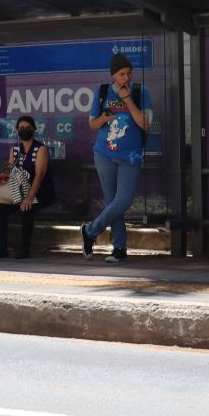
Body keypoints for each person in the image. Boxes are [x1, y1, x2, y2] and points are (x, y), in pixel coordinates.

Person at [80, 53, 152, 264]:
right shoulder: (102, 92)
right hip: (104, 154)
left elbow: (145, 124)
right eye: (122, 74)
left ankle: (90, 230)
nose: (126, 78)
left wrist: (128, 100)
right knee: (113, 202)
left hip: (130, 156)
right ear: (113, 75)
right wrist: (103, 118)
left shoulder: (140, 91)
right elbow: (92, 124)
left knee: (123, 200)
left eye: (129, 73)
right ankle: (119, 248)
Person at [0, 115, 55, 260]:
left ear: (34, 129)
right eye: (21, 128)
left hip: (40, 192)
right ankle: (1, 249)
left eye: (27, 128)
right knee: (0, 208)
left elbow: (39, 175)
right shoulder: (15, 149)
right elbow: (9, 170)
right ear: (17, 130)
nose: (24, 130)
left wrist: (29, 197)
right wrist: (1, 177)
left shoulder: (41, 149)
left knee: (26, 208)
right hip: (19, 192)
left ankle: (24, 249)